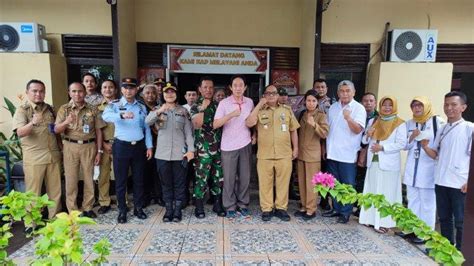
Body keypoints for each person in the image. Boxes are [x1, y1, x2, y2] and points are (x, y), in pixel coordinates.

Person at [421, 91, 472, 250]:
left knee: (460, 220)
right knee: (444, 218)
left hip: (459, 183)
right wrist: (424, 146)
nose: (449, 108)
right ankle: (446, 248)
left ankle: (461, 252)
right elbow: (435, 154)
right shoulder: (442, 128)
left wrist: (468, 181)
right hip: (441, 180)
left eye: (454, 105)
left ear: (463, 107)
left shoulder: (469, 128)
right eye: (446, 104)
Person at [102, 78, 153, 224]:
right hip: (121, 146)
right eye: (126, 88)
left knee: (138, 180)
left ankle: (138, 208)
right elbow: (105, 116)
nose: (129, 91)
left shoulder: (141, 107)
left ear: (136, 90)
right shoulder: (115, 105)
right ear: (122, 90)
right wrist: (120, 115)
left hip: (138, 147)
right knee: (121, 181)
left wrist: (149, 146)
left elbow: (146, 128)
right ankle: (122, 210)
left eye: (132, 88)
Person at [246, 85, 299, 222]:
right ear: (264, 95)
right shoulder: (259, 110)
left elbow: (293, 130)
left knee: (283, 182)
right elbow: (249, 123)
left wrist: (296, 148)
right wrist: (259, 104)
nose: (271, 95)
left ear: (277, 95)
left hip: (284, 153)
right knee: (265, 183)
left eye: (274, 93)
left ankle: (281, 208)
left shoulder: (286, 110)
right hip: (265, 154)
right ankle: (267, 209)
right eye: (268, 93)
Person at [54, 82, 106, 218]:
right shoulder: (64, 109)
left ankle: (88, 207)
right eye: (74, 91)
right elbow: (56, 130)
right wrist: (66, 122)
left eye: (80, 91)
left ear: (85, 92)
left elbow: (99, 131)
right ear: (69, 93)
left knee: (89, 178)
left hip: (89, 146)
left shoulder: (93, 109)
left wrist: (99, 151)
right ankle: (73, 210)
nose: (77, 94)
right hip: (70, 146)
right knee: (71, 179)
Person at [12, 79, 62, 219]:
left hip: (53, 155)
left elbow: (54, 131)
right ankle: (32, 223)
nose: (38, 94)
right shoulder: (23, 110)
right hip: (34, 158)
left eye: (41, 91)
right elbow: (20, 132)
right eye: (35, 91)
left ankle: (55, 219)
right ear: (27, 92)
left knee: (55, 191)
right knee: (33, 193)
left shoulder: (50, 109)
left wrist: (60, 148)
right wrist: (32, 123)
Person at [145, 83, 195, 222]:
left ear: (176, 94)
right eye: (167, 92)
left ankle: (178, 210)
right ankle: (169, 210)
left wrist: (191, 150)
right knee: (166, 184)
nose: (170, 95)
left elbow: (188, 133)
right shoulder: (157, 110)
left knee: (180, 184)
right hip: (162, 154)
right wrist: (160, 110)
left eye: (172, 92)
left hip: (180, 154)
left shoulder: (183, 111)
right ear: (163, 95)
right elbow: (147, 122)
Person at [359, 96, 406, 233]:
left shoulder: (400, 123)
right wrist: (368, 134)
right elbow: (364, 140)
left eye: (390, 105)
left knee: (387, 193)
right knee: (372, 190)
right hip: (373, 161)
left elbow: (401, 144)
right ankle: (369, 219)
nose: (386, 107)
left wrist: (383, 148)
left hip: (388, 164)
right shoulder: (375, 121)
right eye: (384, 105)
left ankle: (385, 222)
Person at [323, 80, 366, 223]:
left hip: (348, 154)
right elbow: (328, 130)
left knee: (347, 185)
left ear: (353, 92)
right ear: (338, 93)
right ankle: (335, 208)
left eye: (348, 91)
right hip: (332, 152)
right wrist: (325, 148)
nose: (345, 93)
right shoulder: (333, 107)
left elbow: (358, 130)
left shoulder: (359, 108)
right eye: (342, 91)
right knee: (333, 183)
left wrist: (348, 118)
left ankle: (346, 212)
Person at [401, 96, 443, 243]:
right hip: (413, 167)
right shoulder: (410, 123)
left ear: (426, 107)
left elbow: (441, 146)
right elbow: (404, 146)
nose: (417, 108)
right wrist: (411, 137)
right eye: (414, 106)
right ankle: (413, 230)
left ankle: (426, 234)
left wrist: (426, 145)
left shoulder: (437, 122)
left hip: (428, 168)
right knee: (412, 200)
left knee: (427, 203)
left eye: (420, 106)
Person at [213, 75, 254, 218]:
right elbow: (216, 124)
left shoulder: (249, 102)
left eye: (241, 85)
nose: (238, 88)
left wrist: (255, 135)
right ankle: (229, 205)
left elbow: (253, 120)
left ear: (245, 87)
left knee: (245, 177)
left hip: (245, 143)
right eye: (235, 85)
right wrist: (230, 115)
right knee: (229, 178)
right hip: (228, 145)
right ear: (231, 87)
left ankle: (243, 204)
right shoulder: (224, 103)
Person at [190, 76, 226, 218]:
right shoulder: (195, 105)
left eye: (211, 87)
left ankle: (217, 204)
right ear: (200, 89)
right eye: (205, 87)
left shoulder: (218, 105)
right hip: (202, 149)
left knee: (218, 177)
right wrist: (202, 108)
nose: (208, 90)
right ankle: (199, 206)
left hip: (218, 148)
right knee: (201, 178)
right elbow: (197, 125)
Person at [295, 90, 329, 220]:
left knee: (311, 183)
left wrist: (314, 124)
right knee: (302, 182)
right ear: (305, 101)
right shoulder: (302, 114)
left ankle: (311, 209)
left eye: (313, 101)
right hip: (301, 153)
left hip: (313, 155)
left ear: (317, 102)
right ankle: (303, 206)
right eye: (308, 100)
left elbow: (325, 134)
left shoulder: (321, 115)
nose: (310, 103)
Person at [354, 92, 379, 216]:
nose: (368, 103)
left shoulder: (378, 118)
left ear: (375, 103)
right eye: (365, 101)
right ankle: (357, 204)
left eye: (371, 101)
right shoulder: (357, 114)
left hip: (369, 153)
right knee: (357, 179)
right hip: (355, 150)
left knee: (365, 180)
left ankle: (363, 207)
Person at [96, 79, 118, 215]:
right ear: (101, 90)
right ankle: (104, 202)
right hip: (103, 145)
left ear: (115, 90)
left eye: (111, 87)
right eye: (105, 87)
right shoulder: (97, 108)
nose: (108, 90)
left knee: (120, 175)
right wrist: (103, 144)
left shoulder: (122, 106)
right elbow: (96, 130)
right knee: (103, 176)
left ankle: (123, 201)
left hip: (120, 144)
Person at [141, 84, 164, 207]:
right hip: (142, 145)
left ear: (157, 95)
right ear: (142, 95)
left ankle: (158, 196)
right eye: (147, 93)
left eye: (153, 93)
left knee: (158, 172)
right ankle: (145, 197)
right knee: (143, 172)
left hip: (159, 145)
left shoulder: (161, 108)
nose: (150, 95)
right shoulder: (139, 107)